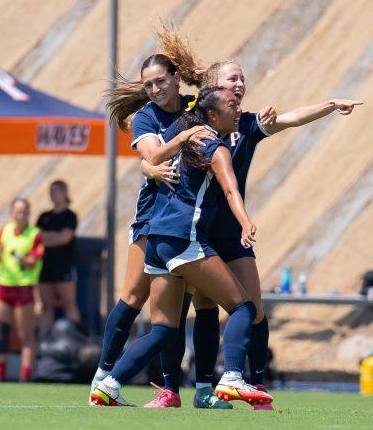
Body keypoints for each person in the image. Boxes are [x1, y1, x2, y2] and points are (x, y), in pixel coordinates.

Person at [159, 37, 361, 411]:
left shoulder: (247, 124)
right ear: (212, 88)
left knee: (253, 307)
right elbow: (161, 121)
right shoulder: (193, 122)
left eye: (242, 79)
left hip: (231, 232)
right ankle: (192, 388)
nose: (240, 84)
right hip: (195, 229)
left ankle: (254, 383)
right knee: (196, 311)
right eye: (232, 78)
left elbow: (293, 117)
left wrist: (331, 104)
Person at [90, 87, 271, 408]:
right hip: (183, 238)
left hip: (156, 239)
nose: (239, 109)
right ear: (212, 115)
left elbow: (152, 159)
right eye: (232, 105)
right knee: (244, 308)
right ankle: (231, 377)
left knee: (163, 328)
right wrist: (245, 222)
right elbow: (231, 191)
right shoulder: (215, 147)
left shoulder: (184, 139)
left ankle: (108, 384)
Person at [0, 198, 44, 383]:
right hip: (5, 286)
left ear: (28, 214)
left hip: (24, 288)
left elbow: (32, 262)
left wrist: (20, 256)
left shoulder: (34, 234)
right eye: (17, 211)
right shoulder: (4, 231)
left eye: (24, 212)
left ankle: (25, 376)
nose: (20, 215)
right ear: (11, 213)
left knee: (25, 335)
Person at [36, 180, 80, 336]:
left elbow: (65, 238)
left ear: (64, 193)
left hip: (64, 265)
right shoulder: (44, 216)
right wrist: (55, 236)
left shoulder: (70, 216)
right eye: (50, 191)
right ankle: (43, 341)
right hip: (45, 265)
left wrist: (48, 237)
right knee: (46, 305)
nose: (52, 195)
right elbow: (37, 238)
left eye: (55, 191)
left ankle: (73, 339)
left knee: (69, 304)